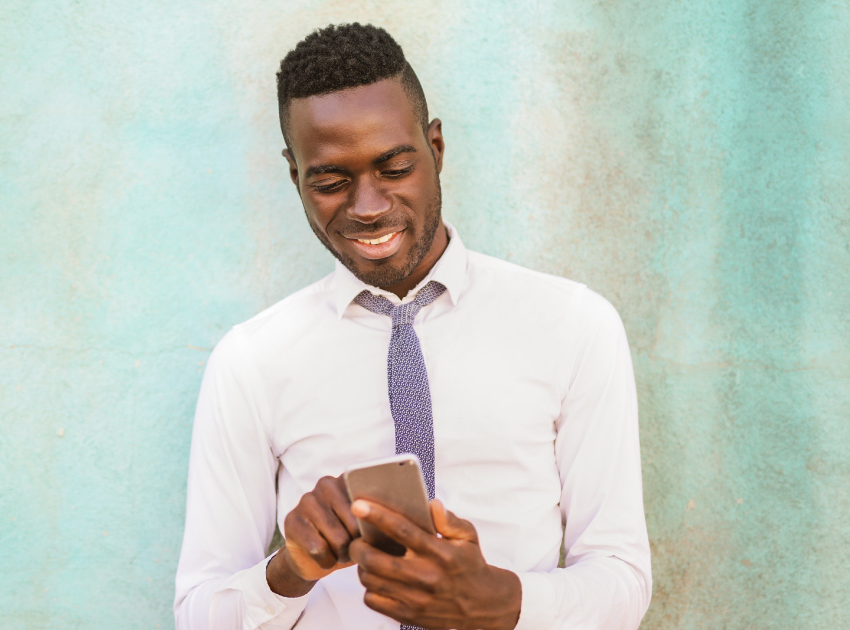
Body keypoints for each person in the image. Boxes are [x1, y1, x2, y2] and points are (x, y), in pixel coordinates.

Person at [174, 23, 651, 630]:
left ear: (437, 149)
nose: (368, 207)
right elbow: (198, 615)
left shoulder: (574, 326)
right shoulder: (251, 362)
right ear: (295, 177)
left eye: (395, 167)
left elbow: (622, 579)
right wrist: (289, 570)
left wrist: (502, 603)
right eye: (330, 182)